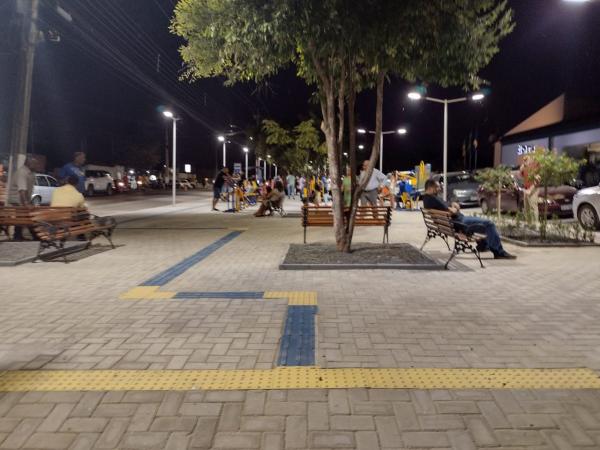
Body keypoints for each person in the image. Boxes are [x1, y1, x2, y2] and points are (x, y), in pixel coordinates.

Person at [422, 179, 516, 259]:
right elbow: (452, 211)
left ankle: (483, 245)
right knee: (489, 224)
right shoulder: (433, 199)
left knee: (481, 222)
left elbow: (447, 207)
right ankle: (499, 252)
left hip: (453, 223)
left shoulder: (427, 199)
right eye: (437, 187)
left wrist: (452, 205)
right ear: (430, 188)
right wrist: (455, 208)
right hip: (460, 223)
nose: (439, 189)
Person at [8, 155, 37, 240]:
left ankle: (18, 236)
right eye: (34, 163)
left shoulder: (30, 172)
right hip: (17, 199)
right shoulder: (22, 172)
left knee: (23, 217)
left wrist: (29, 201)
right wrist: (26, 203)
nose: (36, 165)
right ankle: (33, 237)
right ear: (28, 163)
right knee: (24, 217)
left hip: (21, 199)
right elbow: (22, 190)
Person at [520, 155, 540, 225]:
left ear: (531, 160)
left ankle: (536, 224)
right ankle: (529, 224)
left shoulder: (535, 167)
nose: (525, 162)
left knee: (533, 207)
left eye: (526, 160)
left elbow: (538, 180)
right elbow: (522, 176)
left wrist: (530, 190)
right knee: (526, 208)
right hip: (526, 189)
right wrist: (522, 168)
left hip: (533, 189)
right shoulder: (525, 167)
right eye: (524, 160)